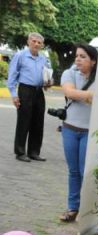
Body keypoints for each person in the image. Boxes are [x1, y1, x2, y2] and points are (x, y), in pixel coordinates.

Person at [58, 43, 98, 223]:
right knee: (73, 170)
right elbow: (69, 92)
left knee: (87, 171)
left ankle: (87, 210)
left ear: (93, 61)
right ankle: (72, 208)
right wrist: (93, 97)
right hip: (69, 128)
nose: (78, 59)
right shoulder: (69, 74)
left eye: (83, 56)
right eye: (77, 56)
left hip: (90, 131)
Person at [8, 32, 52, 162]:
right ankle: (20, 152)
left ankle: (34, 152)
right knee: (24, 121)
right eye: (34, 41)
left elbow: (48, 75)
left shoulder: (43, 58)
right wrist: (14, 95)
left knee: (38, 122)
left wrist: (49, 82)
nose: (36, 44)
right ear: (28, 42)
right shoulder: (20, 55)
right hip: (25, 90)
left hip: (39, 91)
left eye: (39, 42)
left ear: (42, 45)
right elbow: (12, 76)